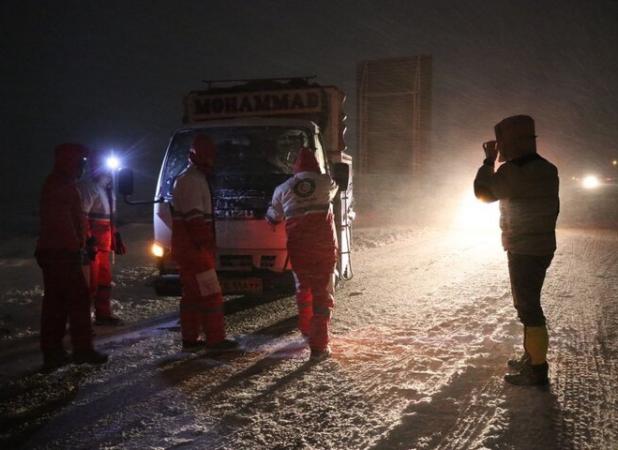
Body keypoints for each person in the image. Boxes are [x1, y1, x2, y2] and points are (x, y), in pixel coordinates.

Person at [474, 115, 559, 386]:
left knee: (528, 308)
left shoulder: (514, 170)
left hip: (523, 248)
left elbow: (482, 193)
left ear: (511, 144)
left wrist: (489, 162)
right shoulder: (547, 167)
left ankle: (537, 368)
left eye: (502, 144)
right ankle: (531, 357)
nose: (501, 149)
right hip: (542, 245)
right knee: (529, 304)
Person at [35, 143, 109, 372]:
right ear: (72, 161)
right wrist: (78, 246)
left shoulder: (60, 184)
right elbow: (63, 223)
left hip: (56, 253)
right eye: (81, 162)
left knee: (56, 304)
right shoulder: (60, 186)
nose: (83, 167)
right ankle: (81, 349)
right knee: (77, 301)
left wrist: (83, 240)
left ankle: (54, 352)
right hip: (62, 254)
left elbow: (72, 219)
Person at [266, 147, 339, 360]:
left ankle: (307, 331)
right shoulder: (325, 182)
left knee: (303, 289)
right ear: (315, 164)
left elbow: (272, 217)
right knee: (322, 295)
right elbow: (334, 192)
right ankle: (319, 347)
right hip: (323, 250)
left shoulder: (282, 189)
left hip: (299, 251)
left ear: (295, 166)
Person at [171, 134, 237, 351]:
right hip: (195, 249)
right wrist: (206, 245)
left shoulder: (189, 178)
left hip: (188, 248)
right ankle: (215, 340)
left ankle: (190, 339)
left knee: (192, 295)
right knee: (211, 294)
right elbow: (195, 219)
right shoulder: (193, 180)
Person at [78, 151, 126, 326]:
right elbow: (81, 217)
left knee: (104, 281)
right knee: (88, 283)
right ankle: (81, 321)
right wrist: (88, 240)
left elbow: (108, 217)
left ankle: (103, 314)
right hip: (92, 247)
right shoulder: (88, 188)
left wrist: (115, 235)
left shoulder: (107, 190)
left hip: (103, 246)